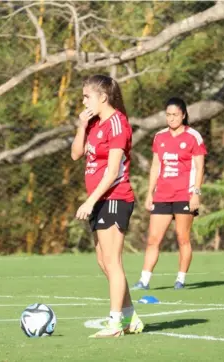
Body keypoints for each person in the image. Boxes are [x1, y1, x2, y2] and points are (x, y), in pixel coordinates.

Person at [71, 74, 144, 338]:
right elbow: (76, 154)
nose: (83, 101)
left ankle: (115, 324)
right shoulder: (94, 124)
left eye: (87, 96)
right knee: (104, 261)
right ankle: (130, 317)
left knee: (113, 261)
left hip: (115, 197)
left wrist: (89, 201)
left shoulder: (117, 123)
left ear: (102, 97)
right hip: (100, 199)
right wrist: (81, 125)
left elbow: (113, 172)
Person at [132, 97, 207, 290]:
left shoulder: (193, 137)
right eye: (168, 115)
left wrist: (196, 194)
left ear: (183, 115)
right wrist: (150, 193)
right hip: (162, 196)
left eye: (175, 115)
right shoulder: (160, 137)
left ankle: (180, 280)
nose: (171, 118)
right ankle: (144, 281)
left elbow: (199, 168)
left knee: (182, 238)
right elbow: (156, 165)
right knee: (153, 239)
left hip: (185, 195)